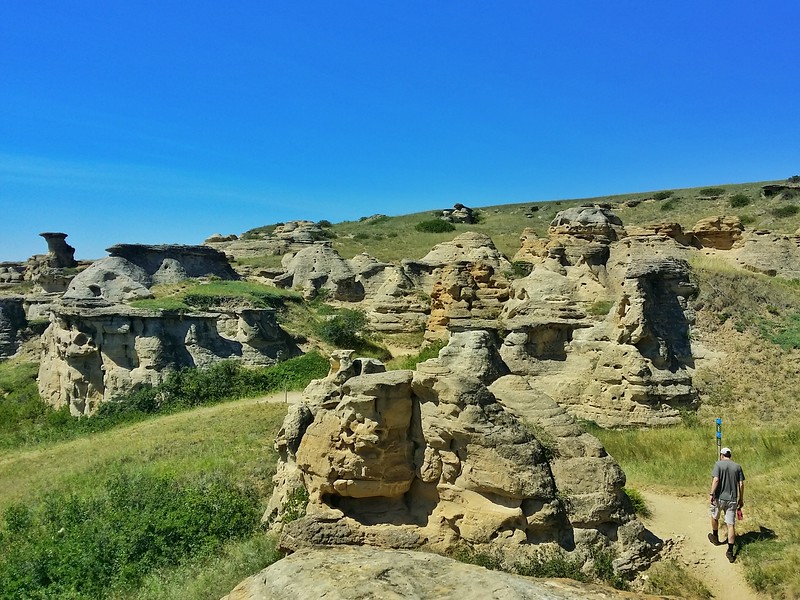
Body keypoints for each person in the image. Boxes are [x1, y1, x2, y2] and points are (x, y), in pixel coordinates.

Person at [708, 446, 746, 562]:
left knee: (715, 516)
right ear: (730, 455)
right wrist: (741, 498)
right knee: (731, 524)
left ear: (721, 455)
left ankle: (715, 537)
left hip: (719, 497)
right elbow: (741, 484)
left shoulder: (718, 464)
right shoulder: (737, 466)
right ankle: (730, 551)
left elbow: (716, 480)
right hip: (732, 499)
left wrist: (711, 494)